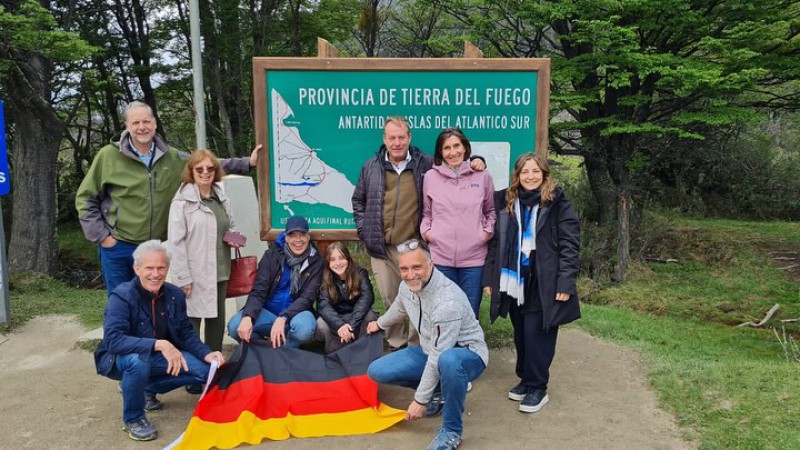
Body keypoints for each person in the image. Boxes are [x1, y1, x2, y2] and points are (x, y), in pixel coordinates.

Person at [75, 100, 260, 295]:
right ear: (127, 126)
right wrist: (103, 237)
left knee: (153, 304)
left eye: (146, 122)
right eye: (136, 123)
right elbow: (86, 199)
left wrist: (247, 163)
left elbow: (205, 165)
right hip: (119, 245)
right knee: (120, 303)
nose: (142, 127)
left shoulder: (171, 157)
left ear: (154, 123)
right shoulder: (108, 156)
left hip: (156, 247)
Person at [352, 116, 485, 350]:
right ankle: (396, 342)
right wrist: (365, 231)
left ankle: (417, 346)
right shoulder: (370, 166)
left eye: (401, 137)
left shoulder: (425, 163)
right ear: (384, 139)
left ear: (409, 137)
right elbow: (358, 201)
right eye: (392, 137)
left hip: (414, 247)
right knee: (390, 297)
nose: (397, 142)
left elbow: (453, 167)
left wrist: (476, 160)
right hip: (382, 247)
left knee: (419, 298)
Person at [93, 240, 225, 442]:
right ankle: (134, 418)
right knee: (137, 363)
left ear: (167, 268)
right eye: (149, 268)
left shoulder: (175, 294)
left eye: (161, 267)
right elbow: (113, 341)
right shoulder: (121, 296)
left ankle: (145, 389)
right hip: (121, 359)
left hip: (159, 357)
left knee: (207, 370)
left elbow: (186, 333)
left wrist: (207, 353)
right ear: (137, 269)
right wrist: (160, 344)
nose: (155, 274)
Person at [482, 152, 581, 414]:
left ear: (544, 174)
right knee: (522, 333)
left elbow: (570, 246)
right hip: (514, 280)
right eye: (525, 171)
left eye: (535, 171)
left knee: (539, 334)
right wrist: (490, 277)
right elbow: (496, 243)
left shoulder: (557, 202)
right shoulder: (506, 200)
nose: (530, 176)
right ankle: (526, 380)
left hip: (544, 280)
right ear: (517, 175)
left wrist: (565, 284)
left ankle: (539, 386)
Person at [366, 239, 488, 450]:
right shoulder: (407, 286)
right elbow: (399, 309)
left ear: (430, 264)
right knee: (377, 371)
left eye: (417, 267)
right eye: (404, 268)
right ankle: (440, 392)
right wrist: (379, 323)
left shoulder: (447, 302)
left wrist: (420, 401)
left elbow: (439, 355)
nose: (410, 274)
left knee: (448, 361)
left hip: (466, 355)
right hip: (429, 351)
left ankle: (451, 431)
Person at [167, 149, 243, 352]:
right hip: (195, 273)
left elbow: (230, 225)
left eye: (210, 168)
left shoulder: (221, 196)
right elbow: (176, 243)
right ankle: (193, 371)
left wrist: (234, 238)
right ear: (191, 171)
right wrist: (183, 277)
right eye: (199, 168)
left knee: (216, 324)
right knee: (191, 324)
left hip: (220, 270)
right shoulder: (182, 202)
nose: (205, 172)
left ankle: (213, 367)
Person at [421, 128, 496, 318]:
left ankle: (467, 348)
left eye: (456, 146)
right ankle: (446, 349)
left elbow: (490, 211)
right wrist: (428, 233)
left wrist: (484, 233)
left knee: (469, 314)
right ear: (440, 152)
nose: (452, 152)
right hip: (441, 259)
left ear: (465, 148)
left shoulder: (482, 176)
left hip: (474, 259)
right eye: (447, 148)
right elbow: (427, 213)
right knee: (444, 314)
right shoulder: (430, 177)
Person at [227, 215, 321, 348]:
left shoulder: (316, 261)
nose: (298, 240)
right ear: (286, 237)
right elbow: (259, 290)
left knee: (304, 329)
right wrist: (248, 316)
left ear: (308, 237)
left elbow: (307, 298)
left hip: (296, 316)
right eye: (293, 235)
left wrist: (283, 318)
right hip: (268, 314)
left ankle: (286, 351)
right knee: (235, 325)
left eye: (302, 235)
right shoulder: (271, 256)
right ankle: (264, 349)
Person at [315, 241, 378, 353]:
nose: (338, 263)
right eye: (332, 259)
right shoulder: (324, 277)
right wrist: (341, 325)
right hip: (336, 319)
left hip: (356, 316)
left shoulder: (360, 273)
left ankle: (362, 349)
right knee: (321, 324)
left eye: (341, 258)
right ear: (328, 263)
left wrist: (351, 325)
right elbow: (323, 305)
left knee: (370, 315)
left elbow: (367, 298)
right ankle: (335, 353)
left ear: (348, 259)